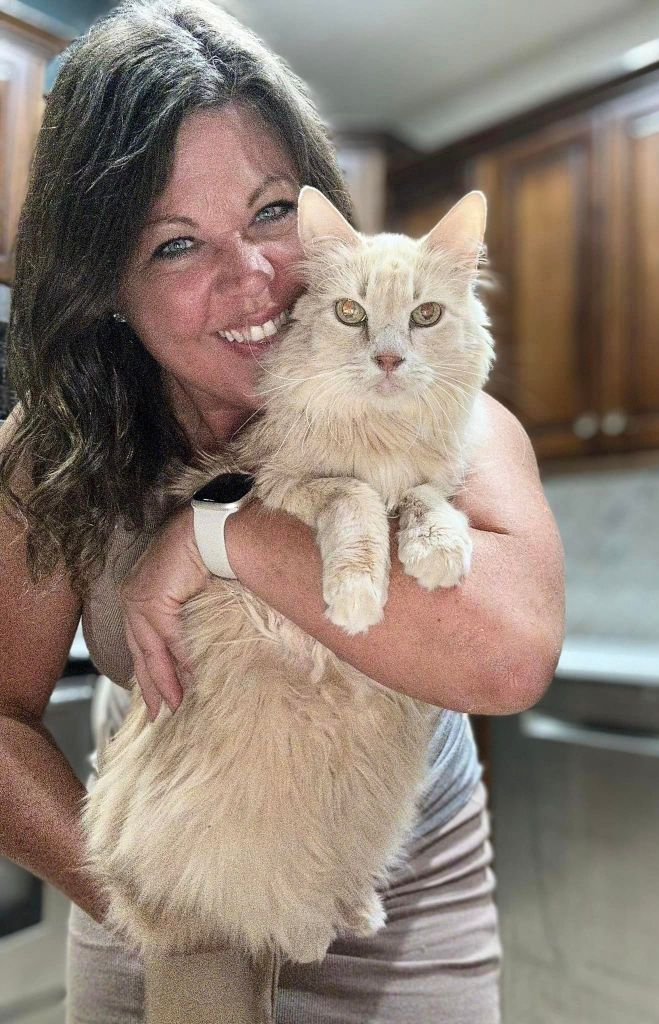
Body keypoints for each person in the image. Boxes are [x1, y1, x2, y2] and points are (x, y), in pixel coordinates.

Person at [0, 0, 565, 1020]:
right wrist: (161, 904)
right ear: (109, 287)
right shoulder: (53, 453)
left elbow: (509, 655)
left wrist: (223, 535)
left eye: (269, 213)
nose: (253, 274)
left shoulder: (444, 412)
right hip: (168, 889)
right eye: (175, 245)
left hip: (393, 909)